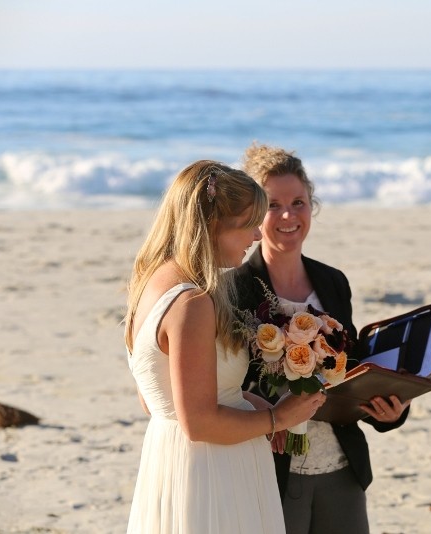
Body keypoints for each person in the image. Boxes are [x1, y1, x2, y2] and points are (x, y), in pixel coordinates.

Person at [123, 160, 326, 533]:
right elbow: (198, 422)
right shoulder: (192, 303)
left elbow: (155, 398)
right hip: (211, 473)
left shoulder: (151, 283)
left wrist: (247, 401)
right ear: (214, 226)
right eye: (249, 225)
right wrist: (279, 418)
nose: (256, 237)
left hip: (172, 462)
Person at [234, 143, 410, 534]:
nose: (287, 215)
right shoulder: (234, 288)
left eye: (298, 202)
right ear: (251, 213)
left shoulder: (333, 280)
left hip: (343, 468)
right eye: (273, 205)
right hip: (272, 470)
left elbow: (352, 365)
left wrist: (391, 412)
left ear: (311, 204)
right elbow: (227, 385)